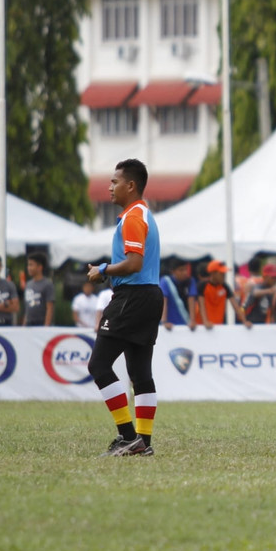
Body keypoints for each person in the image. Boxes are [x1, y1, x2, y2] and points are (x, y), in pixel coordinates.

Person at [86, 158, 164, 457]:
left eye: (114, 181)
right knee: (140, 372)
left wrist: (102, 269)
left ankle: (128, 436)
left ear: (131, 185)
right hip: (149, 295)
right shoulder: (144, 214)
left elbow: (134, 263)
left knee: (98, 365)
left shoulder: (133, 216)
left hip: (132, 296)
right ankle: (143, 442)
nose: (110, 187)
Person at [196, 260, 252, 328]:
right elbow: (201, 306)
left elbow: (236, 306)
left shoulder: (225, 287)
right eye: (221, 274)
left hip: (218, 326)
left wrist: (244, 321)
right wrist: (205, 322)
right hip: (202, 327)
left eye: (224, 274)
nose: (224, 276)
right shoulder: (202, 286)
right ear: (213, 273)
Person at [22, 252, 55, 327]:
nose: (28, 268)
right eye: (28, 265)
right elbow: (27, 308)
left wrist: (46, 327)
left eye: (31, 265)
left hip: (41, 323)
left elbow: (50, 308)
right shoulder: (28, 284)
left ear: (40, 267)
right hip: (29, 323)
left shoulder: (47, 284)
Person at [159, 260, 195, 330]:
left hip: (186, 324)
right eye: (181, 270)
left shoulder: (190, 281)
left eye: (185, 269)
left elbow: (191, 300)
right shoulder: (165, 281)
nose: (185, 272)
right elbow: (164, 301)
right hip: (170, 325)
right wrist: (164, 321)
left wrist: (192, 321)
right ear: (173, 272)